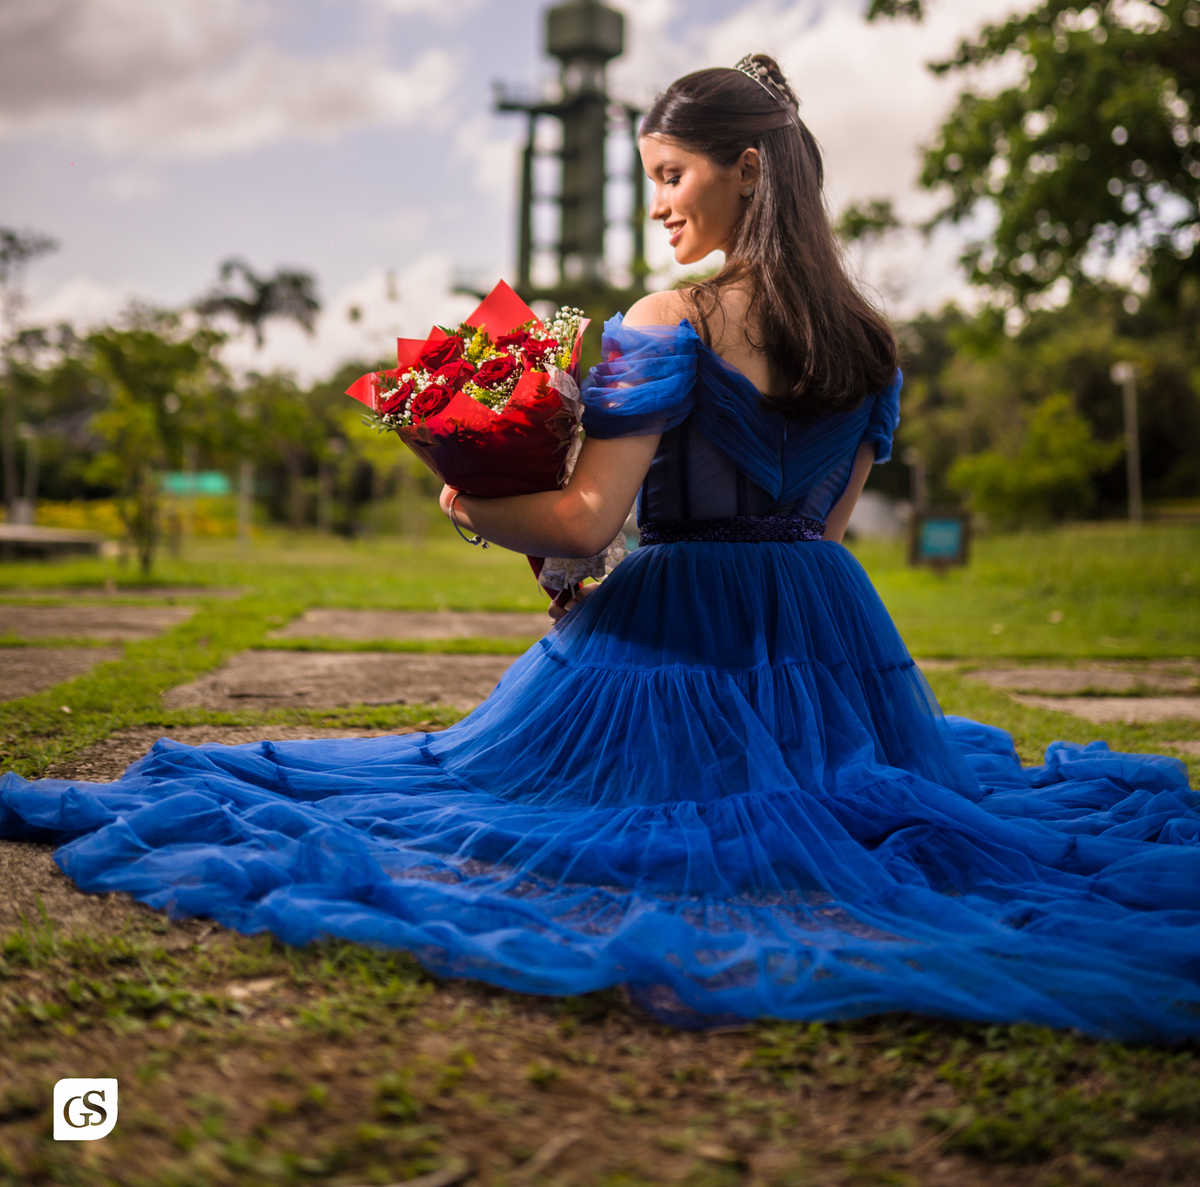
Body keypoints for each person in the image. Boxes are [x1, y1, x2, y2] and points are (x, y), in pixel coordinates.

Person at [2, 55, 1198, 1040]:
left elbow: (584, 521)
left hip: (672, 630)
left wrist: (469, 502)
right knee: (848, 803)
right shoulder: (871, 344)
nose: (660, 203)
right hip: (833, 640)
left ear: (746, 168)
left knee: (474, 801)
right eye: (649, 180)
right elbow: (820, 534)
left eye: (672, 175)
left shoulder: (668, 320)